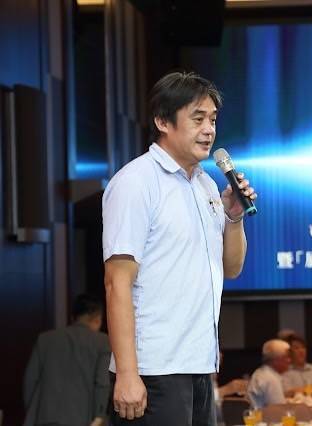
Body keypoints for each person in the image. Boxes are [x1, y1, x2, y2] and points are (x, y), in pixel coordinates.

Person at [103, 71, 257, 424]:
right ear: (163, 121)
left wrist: (234, 218)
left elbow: (231, 268)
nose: (209, 130)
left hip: (199, 366)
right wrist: (127, 373)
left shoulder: (206, 186)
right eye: (197, 118)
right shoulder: (136, 182)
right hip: (153, 369)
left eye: (213, 120)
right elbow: (116, 282)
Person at [23, 294, 111, 426]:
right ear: (98, 319)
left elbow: (30, 381)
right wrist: (99, 416)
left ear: (73, 317)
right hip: (84, 419)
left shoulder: (45, 339)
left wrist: (33, 413)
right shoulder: (102, 342)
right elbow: (102, 382)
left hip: (45, 417)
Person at [247, 339, 291, 408]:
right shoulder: (271, 379)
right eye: (286, 357)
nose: (289, 360)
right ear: (276, 360)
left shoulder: (260, 372)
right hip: (264, 415)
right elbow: (278, 410)